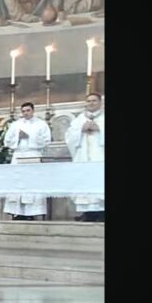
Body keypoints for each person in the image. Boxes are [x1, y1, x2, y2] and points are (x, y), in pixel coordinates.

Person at [3, 102, 52, 220]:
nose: (26, 113)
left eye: (28, 110)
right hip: (18, 155)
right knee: (17, 183)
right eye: (23, 111)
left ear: (33, 111)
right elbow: (7, 141)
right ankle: (17, 212)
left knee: (32, 183)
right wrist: (17, 138)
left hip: (33, 155)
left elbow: (47, 140)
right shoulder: (15, 124)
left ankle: (31, 213)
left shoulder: (41, 124)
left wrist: (29, 137)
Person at [65, 93, 105, 221]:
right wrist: (80, 130)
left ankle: (101, 213)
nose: (91, 103)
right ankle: (87, 213)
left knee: (100, 183)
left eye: (94, 100)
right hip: (83, 157)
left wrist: (100, 129)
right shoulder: (79, 120)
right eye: (88, 101)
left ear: (100, 102)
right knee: (84, 183)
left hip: (100, 158)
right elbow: (69, 137)